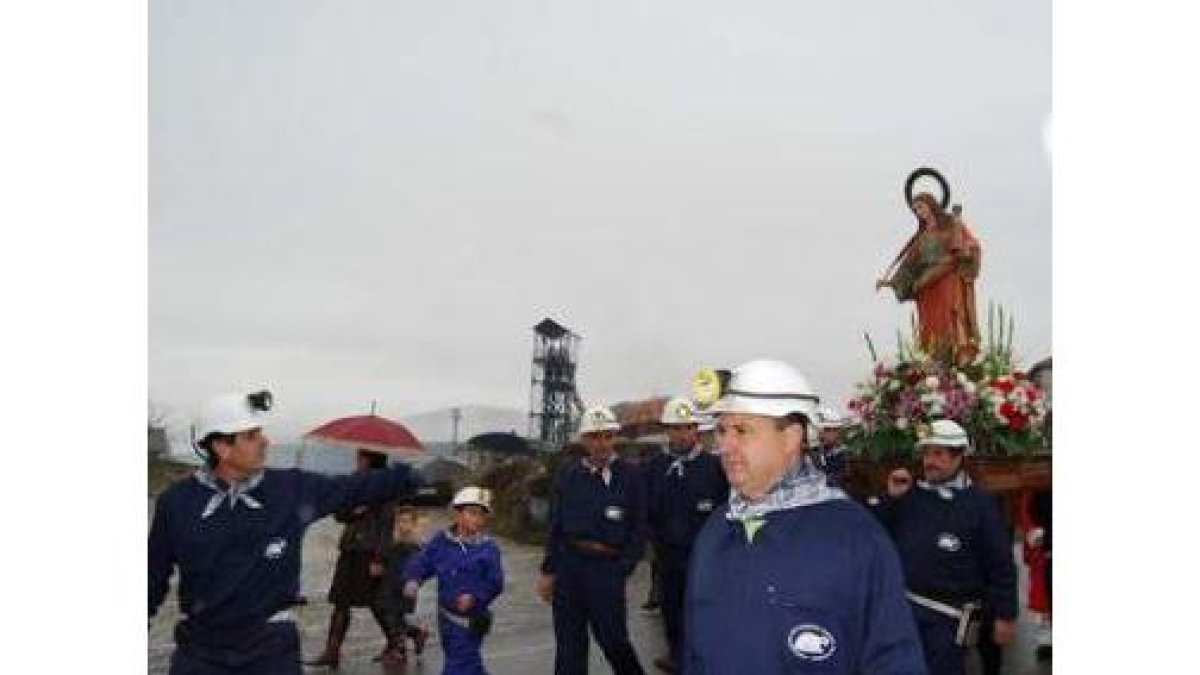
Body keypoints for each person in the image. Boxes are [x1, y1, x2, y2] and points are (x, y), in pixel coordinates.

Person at [148, 391, 423, 675]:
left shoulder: (289, 490)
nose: (265, 441)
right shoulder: (176, 503)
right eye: (252, 435)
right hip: (201, 651)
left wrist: (409, 476)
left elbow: (351, 488)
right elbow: (151, 580)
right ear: (221, 446)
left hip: (271, 648)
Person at [683, 360, 926, 674]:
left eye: (742, 430)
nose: (724, 446)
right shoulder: (715, 531)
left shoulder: (854, 538)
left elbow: (894, 660)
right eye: (721, 430)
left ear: (791, 438)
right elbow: (694, 653)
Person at [872, 419, 1018, 675]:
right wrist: (891, 500)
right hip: (906, 613)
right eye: (927, 453)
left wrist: (1005, 615)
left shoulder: (980, 504)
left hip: (949, 620)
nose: (930, 461)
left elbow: (1000, 563)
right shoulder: (910, 496)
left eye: (938, 453)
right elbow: (877, 538)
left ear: (959, 456)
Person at [537, 405, 648, 675]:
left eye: (607, 436)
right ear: (584, 440)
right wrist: (549, 570)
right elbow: (556, 524)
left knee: (613, 640)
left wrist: (624, 566)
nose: (601, 443)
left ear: (614, 438)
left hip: (607, 568)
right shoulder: (569, 474)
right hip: (569, 566)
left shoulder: (631, 476)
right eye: (594, 436)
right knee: (569, 646)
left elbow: (640, 526)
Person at [643, 397, 729, 673]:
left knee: (703, 611)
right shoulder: (654, 467)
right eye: (675, 428)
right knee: (671, 609)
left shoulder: (716, 468)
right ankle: (677, 655)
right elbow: (644, 509)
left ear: (697, 430)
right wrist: (651, 543)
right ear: (667, 431)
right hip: (667, 556)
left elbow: (727, 511)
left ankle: (703, 658)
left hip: (705, 558)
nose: (681, 434)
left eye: (687, 428)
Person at [305, 449, 400, 669]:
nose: (357, 461)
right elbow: (338, 513)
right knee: (342, 601)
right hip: (350, 549)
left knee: (374, 603)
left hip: (369, 552)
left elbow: (387, 526)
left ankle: (398, 642)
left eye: (360, 458)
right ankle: (332, 652)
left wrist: (380, 559)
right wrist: (354, 510)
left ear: (370, 460)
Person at [404, 487, 505, 675]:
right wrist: (413, 579)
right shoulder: (441, 541)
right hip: (445, 618)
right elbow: (423, 560)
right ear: (457, 514)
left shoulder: (488, 549)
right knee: (468, 664)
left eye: (482, 515)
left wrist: (474, 597)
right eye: (472, 513)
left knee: (458, 665)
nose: (477, 519)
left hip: (470, 620)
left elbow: (495, 582)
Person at [877, 192, 982, 364]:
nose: (919, 212)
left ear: (931, 205)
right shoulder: (922, 236)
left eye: (921, 207)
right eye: (915, 209)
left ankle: (955, 358)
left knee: (949, 319)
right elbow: (909, 263)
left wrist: (964, 251)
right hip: (926, 288)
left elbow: (973, 244)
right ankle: (933, 363)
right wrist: (891, 281)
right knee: (929, 325)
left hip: (948, 280)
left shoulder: (953, 225)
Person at [374, 503, 431, 667]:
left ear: (414, 524)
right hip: (389, 585)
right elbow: (387, 560)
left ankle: (399, 651)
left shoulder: (416, 546)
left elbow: (423, 569)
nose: (403, 525)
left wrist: (415, 583)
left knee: (393, 618)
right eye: (400, 521)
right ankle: (417, 634)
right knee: (391, 617)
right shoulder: (394, 542)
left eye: (407, 522)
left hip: (405, 588)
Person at [811, 407, 852, 487]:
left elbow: (843, 476)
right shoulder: (814, 452)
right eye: (821, 430)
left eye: (827, 430)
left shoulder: (845, 454)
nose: (821, 434)